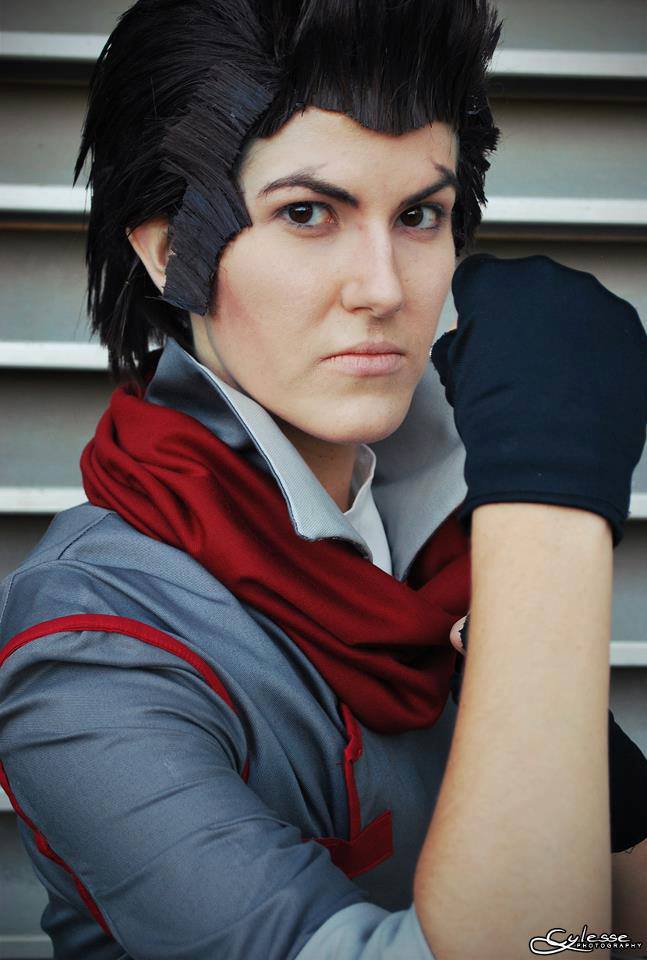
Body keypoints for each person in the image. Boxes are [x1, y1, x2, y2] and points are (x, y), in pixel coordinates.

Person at [0, 1, 646, 958]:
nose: (383, 288)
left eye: (419, 215)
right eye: (307, 213)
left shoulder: (452, 538)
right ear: (172, 253)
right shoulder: (90, 647)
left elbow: (603, 938)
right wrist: (549, 504)